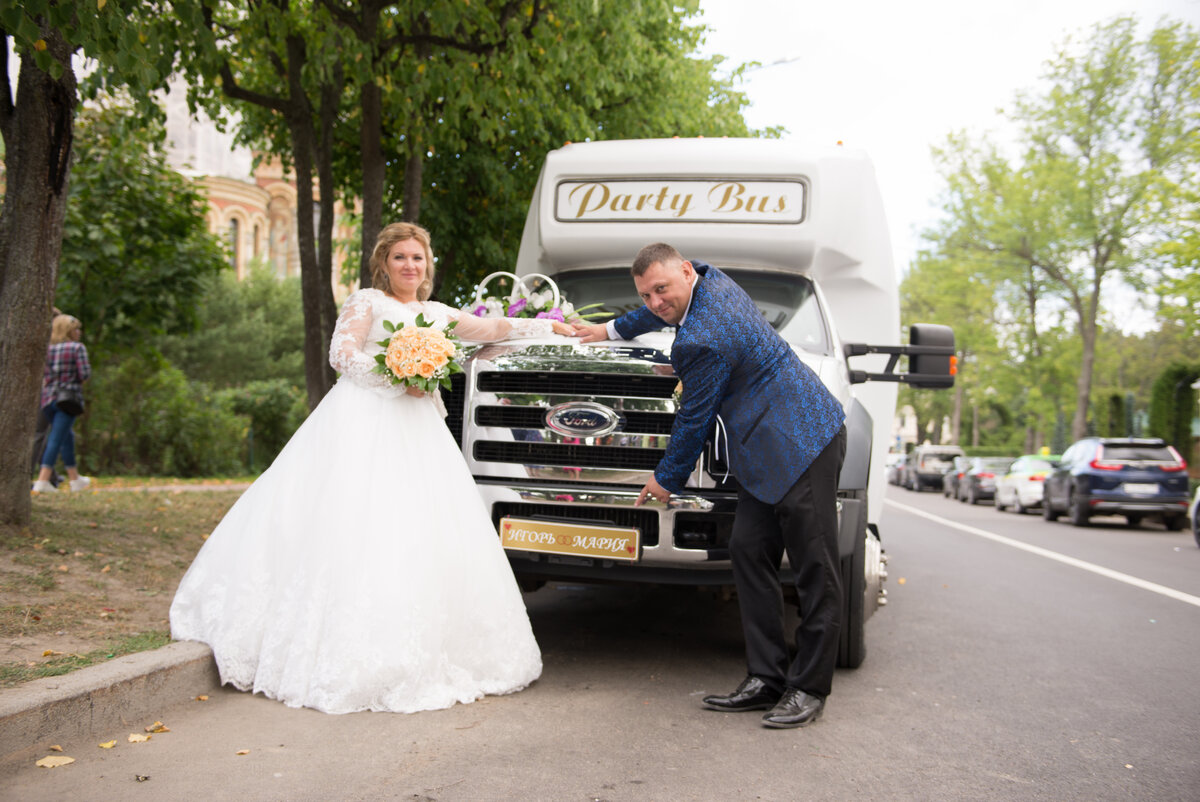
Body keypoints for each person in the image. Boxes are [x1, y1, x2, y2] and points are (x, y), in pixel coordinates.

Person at [170, 222, 575, 714]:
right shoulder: (367, 301)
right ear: (384, 262)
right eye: (401, 257)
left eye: (418, 258)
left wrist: (550, 325)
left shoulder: (435, 313)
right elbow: (341, 354)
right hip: (362, 421)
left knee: (419, 528)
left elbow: (492, 328)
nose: (410, 266)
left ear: (428, 266)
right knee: (354, 519)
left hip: (419, 430)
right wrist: (394, 374)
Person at [573, 243, 847, 729]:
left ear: (683, 271)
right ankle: (766, 678)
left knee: (813, 567)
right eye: (645, 294)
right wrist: (608, 329)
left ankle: (808, 687)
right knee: (747, 551)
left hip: (806, 438)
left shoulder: (704, 337)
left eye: (661, 289)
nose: (656, 302)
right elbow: (661, 307)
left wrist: (664, 478)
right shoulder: (705, 276)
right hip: (764, 448)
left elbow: (695, 419)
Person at [33, 314, 92, 493]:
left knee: (67, 437)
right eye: (75, 329)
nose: (78, 332)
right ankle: (42, 481)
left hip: (47, 399)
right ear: (67, 330)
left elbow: (44, 375)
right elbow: (85, 374)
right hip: (68, 400)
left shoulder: (47, 350)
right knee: (56, 439)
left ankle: (75, 479)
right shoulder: (77, 348)